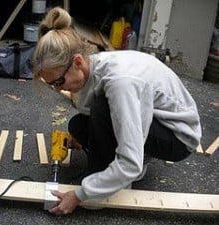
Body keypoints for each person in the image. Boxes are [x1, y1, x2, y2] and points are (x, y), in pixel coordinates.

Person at [32, 7, 201, 215]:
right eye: (52, 85)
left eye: (59, 81)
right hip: (154, 117)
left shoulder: (119, 82)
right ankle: (120, 168)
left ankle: (108, 185)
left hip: (178, 136)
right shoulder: (94, 66)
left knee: (102, 107)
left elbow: (130, 163)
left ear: (77, 62)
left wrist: (80, 194)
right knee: (78, 126)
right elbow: (89, 111)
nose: (59, 89)